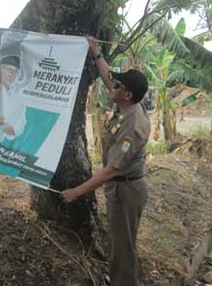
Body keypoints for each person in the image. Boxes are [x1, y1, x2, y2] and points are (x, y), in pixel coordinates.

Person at [61, 37, 150, 286]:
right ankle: (120, 279)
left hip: (126, 188)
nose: (112, 85)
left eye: (117, 85)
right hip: (121, 187)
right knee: (120, 240)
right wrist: (96, 52)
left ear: (127, 94)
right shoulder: (130, 103)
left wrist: (77, 192)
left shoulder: (132, 125)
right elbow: (108, 77)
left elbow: (112, 169)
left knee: (123, 244)